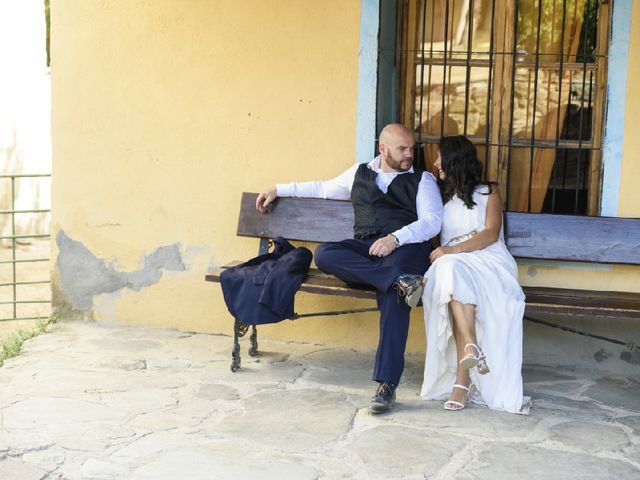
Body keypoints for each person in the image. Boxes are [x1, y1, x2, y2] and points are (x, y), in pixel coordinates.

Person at [256, 124, 443, 414]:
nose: (410, 154)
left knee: (395, 299)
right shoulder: (359, 172)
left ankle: (386, 385)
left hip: (405, 249)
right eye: (402, 149)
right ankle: (399, 281)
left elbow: (432, 222)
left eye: (411, 148)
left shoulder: (423, 180)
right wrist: (277, 189)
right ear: (383, 149)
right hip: (367, 251)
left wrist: (395, 239)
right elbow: (322, 188)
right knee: (326, 253)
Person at [420, 135, 529, 414]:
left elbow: (491, 234)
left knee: (449, 269)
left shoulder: (489, 192)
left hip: (489, 260)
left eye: (440, 157)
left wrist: (452, 250)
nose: (435, 164)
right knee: (450, 273)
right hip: (455, 266)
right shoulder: (437, 196)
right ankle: (470, 348)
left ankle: (462, 378)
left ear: (454, 160)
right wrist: (447, 254)